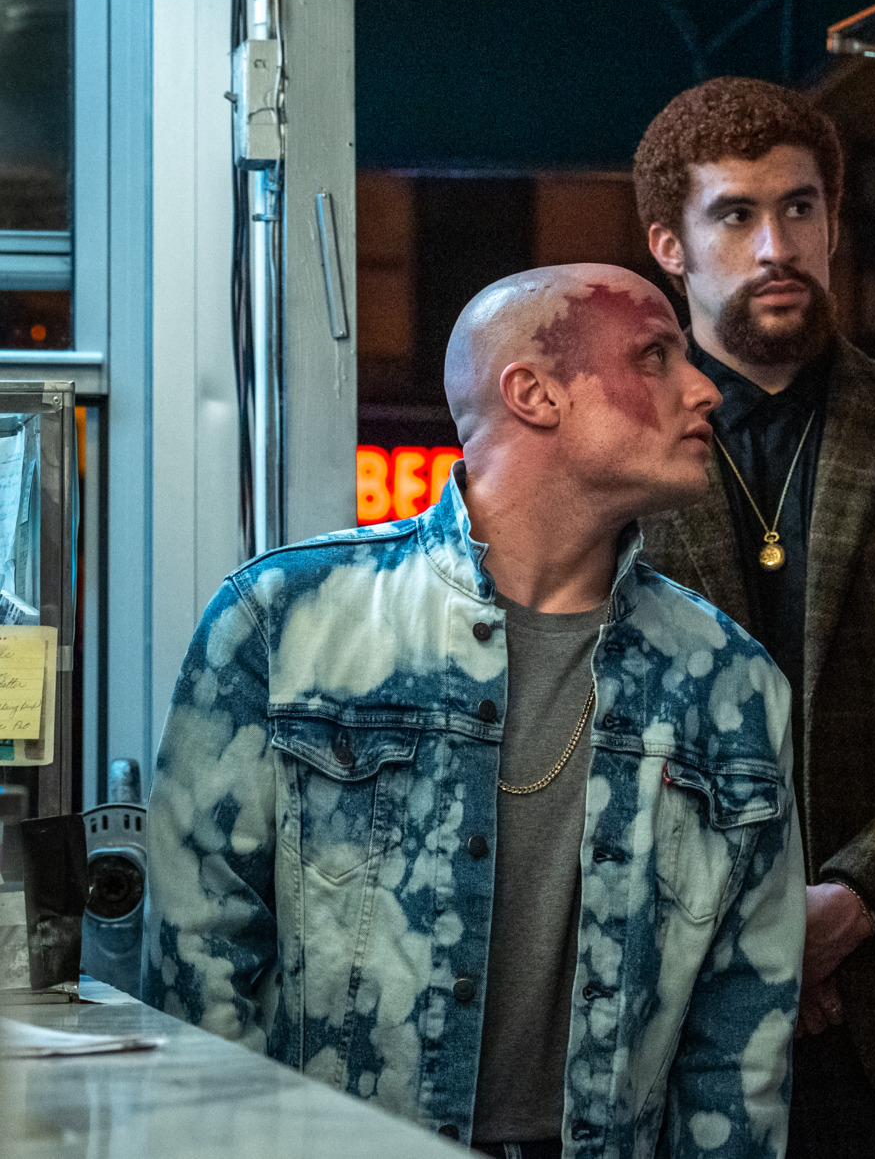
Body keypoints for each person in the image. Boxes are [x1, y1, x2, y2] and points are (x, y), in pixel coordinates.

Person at [144, 264, 804, 1159]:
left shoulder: (731, 685)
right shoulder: (284, 622)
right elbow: (199, 975)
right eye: (655, 356)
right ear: (534, 392)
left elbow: (740, 1050)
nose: (704, 389)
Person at [634, 77, 875, 1158]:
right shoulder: (618, 460)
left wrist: (856, 899)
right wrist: (755, 932)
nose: (776, 247)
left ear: (834, 221)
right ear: (668, 245)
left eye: (799, 208)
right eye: (735, 215)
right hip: (673, 1015)